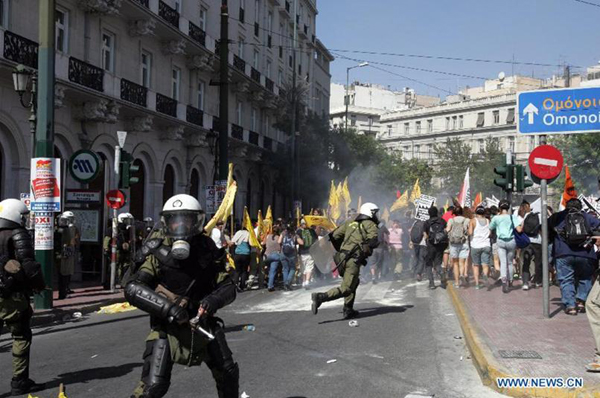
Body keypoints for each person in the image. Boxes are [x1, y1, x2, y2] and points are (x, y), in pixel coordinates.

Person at [125, 194, 238, 398]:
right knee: (153, 387)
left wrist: (212, 301)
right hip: (167, 327)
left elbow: (229, 286)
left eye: (185, 220)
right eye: (174, 220)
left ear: (196, 221)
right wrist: (169, 309)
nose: (179, 225)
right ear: (166, 222)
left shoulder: (207, 249)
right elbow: (133, 288)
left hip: (203, 322)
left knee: (228, 373)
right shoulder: (157, 250)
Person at [0, 198, 46, 395]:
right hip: (12, 295)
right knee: (21, 335)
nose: (25, 220)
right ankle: (20, 381)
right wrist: (38, 285)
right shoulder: (17, 233)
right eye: (23, 216)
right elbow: (28, 265)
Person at [311, 203, 380, 320]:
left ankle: (348, 309)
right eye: (374, 212)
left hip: (341, 257)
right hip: (353, 258)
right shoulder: (370, 224)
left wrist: (343, 249)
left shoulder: (349, 222)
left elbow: (334, 236)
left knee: (354, 282)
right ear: (369, 212)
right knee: (347, 287)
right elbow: (374, 241)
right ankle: (321, 297)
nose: (375, 215)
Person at [549, 198, 600, 315]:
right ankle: (581, 302)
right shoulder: (587, 217)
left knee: (566, 279)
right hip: (586, 253)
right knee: (585, 278)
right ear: (580, 207)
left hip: (563, 252)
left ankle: (570, 306)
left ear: (566, 206)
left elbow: (544, 228)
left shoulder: (558, 216)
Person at [489, 200, 521, 294]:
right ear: (508, 208)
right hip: (511, 241)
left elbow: (490, 228)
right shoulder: (512, 217)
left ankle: (504, 282)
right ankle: (511, 281)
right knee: (510, 262)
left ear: (499, 208)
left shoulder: (496, 218)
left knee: (503, 262)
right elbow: (519, 230)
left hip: (501, 242)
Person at [56, 211, 80, 299]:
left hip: (69, 252)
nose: (69, 221)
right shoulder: (61, 230)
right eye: (67, 219)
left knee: (68, 271)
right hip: (64, 253)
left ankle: (66, 288)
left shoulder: (72, 228)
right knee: (63, 273)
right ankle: (63, 291)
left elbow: (76, 239)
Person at [423, 206, 448, 290]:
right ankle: (441, 273)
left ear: (429, 213)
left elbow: (425, 235)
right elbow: (445, 231)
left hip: (431, 245)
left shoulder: (427, 222)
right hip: (441, 245)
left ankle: (431, 283)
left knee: (428, 263)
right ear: (437, 212)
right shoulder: (442, 221)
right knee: (438, 263)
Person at [469, 206, 492, 289]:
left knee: (476, 265)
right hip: (486, 245)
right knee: (485, 264)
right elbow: (490, 233)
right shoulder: (488, 220)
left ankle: (477, 284)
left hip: (475, 245)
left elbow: (470, 232)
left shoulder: (473, 221)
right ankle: (485, 275)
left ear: (476, 212)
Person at [521, 202, 543, 290]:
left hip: (527, 242)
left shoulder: (527, 215)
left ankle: (525, 283)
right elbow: (543, 229)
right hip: (538, 242)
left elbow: (522, 227)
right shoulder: (541, 216)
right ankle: (537, 281)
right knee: (538, 262)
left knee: (526, 262)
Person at [446, 206, 470, 288]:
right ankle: (462, 275)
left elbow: (448, 230)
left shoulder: (451, 220)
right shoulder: (467, 220)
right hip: (464, 243)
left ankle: (456, 283)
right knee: (462, 262)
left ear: (454, 213)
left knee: (455, 263)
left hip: (453, 244)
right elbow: (470, 231)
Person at [279, 223, 301, 290]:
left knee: (285, 269)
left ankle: (285, 285)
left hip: (283, 253)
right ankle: (288, 282)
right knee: (293, 268)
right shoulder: (295, 235)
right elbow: (301, 243)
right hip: (291, 255)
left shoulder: (283, 233)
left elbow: (279, 241)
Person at [296, 219, 318, 289]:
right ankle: (307, 281)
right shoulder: (311, 231)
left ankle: (303, 281)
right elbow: (316, 240)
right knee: (309, 267)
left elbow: (300, 242)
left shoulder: (298, 231)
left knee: (303, 267)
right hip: (311, 252)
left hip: (302, 253)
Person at [231, 225, 252, 291]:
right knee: (244, 271)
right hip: (246, 254)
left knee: (237, 271)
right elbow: (251, 243)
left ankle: (235, 284)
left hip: (238, 254)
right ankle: (242, 286)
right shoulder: (249, 234)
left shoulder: (238, 232)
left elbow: (232, 242)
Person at [265, 226, 283, 292]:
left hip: (267, 255)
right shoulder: (279, 237)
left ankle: (267, 278)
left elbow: (263, 243)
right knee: (273, 271)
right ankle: (270, 285)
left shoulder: (268, 236)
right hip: (276, 255)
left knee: (269, 269)